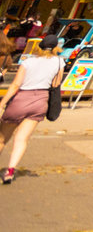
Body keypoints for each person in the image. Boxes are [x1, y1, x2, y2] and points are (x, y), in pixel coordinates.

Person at [0, 36, 63, 184]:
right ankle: (10, 171)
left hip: (21, 99)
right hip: (41, 101)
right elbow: (56, 83)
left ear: (39, 47)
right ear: (56, 48)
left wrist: (2, 103)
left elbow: (15, 85)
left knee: (2, 138)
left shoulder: (27, 62)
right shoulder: (60, 62)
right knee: (22, 139)